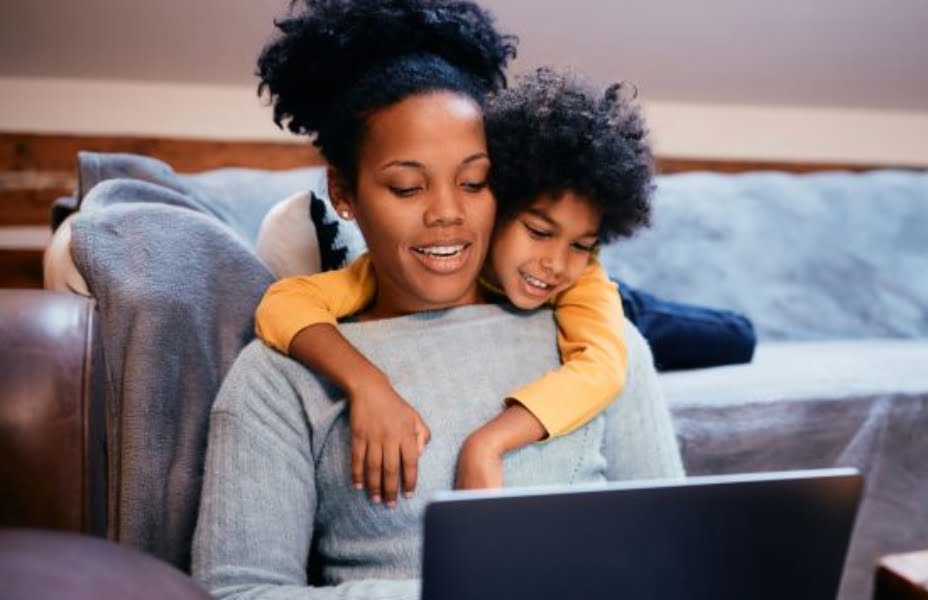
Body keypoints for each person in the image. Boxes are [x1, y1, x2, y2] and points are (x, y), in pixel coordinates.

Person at [190, 1, 683, 597]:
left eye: (474, 182)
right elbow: (238, 593)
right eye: (406, 187)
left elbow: (675, 560)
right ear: (344, 193)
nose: (448, 213)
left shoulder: (604, 347)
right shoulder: (278, 378)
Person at [253, 66, 655, 506]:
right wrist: (367, 384)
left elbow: (602, 368)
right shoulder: (424, 260)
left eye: (580, 244)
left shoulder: (579, 275)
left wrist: (490, 442)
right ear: (502, 203)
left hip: (603, 303)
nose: (556, 260)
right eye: (539, 232)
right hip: (530, 285)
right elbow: (283, 303)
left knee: (690, 329)